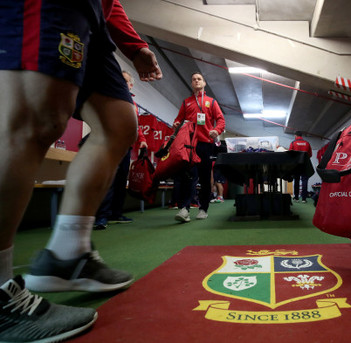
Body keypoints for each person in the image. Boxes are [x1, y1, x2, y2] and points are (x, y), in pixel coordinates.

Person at [0, 1, 162, 342]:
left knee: (118, 123)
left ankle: (67, 253)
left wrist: (135, 46)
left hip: (92, 17)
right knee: (34, 118)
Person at [93, 70, 148, 230]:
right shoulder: (109, 98)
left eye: (125, 81)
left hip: (126, 147)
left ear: (130, 85)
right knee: (108, 180)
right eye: (120, 79)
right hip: (110, 145)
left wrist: (142, 141)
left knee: (120, 181)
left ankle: (115, 214)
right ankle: (101, 216)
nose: (122, 83)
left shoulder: (133, 104)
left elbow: (136, 126)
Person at [173, 72, 226, 222]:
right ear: (191, 84)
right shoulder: (186, 102)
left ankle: (203, 208)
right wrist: (176, 124)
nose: (196, 81)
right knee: (188, 177)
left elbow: (221, 120)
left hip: (205, 144)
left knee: (204, 178)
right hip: (189, 145)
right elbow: (178, 119)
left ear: (204, 83)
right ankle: (184, 209)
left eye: (199, 79)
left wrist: (217, 130)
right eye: (193, 79)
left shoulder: (211, 102)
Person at [289, 131, 312, 203]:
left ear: (295, 135)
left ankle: (296, 198)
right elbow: (310, 155)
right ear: (301, 135)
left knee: (296, 181)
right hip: (305, 164)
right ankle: (304, 199)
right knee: (304, 180)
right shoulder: (307, 143)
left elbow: (290, 154)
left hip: (296, 165)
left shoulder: (293, 143)